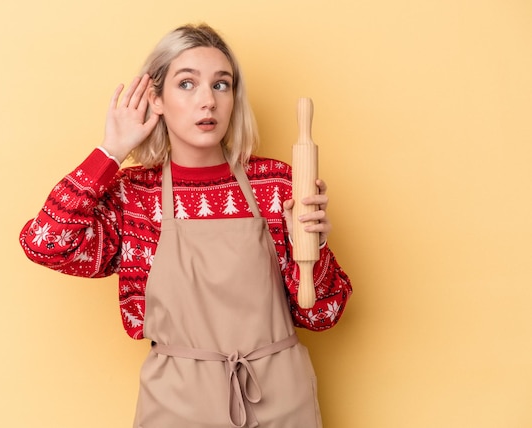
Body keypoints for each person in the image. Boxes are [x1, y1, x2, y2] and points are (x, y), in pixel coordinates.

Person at [20, 23, 352, 428]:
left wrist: (312, 251)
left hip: (282, 400)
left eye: (221, 85)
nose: (207, 102)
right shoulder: (134, 196)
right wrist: (111, 151)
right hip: (176, 406)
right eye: (187, 84)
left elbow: (324, 314)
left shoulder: (276, 184)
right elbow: (45, 243)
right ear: (155, 99)